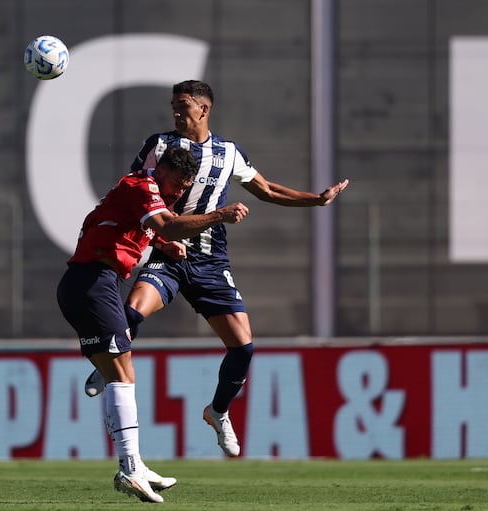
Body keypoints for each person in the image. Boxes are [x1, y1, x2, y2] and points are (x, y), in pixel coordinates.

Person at [84, 80, 349, 458]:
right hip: (165, 252)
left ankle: (218, 412)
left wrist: (316, 201)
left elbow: (267, 190)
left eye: (182, 105)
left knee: (243, 347)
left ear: (203, 109)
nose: (175, 111)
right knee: (132, 312)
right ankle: (107, 363)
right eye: (173, 105)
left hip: (210, 261)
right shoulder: (158, 145)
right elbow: (134, 195)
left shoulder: (228, 153)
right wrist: (159, 239)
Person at [57, 145, 249, 503]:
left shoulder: (145, 194)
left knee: (123, 374)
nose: (178, 192)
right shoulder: (142, 186)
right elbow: (166, 224)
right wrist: (217, 215)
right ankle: (130, 467)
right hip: (91, 283)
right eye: (177, 183)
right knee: (121, 377)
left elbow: (143, 225)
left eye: (185, 186)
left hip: (95, 283)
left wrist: (162, 242)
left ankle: (135, 465)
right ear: (161, 171)